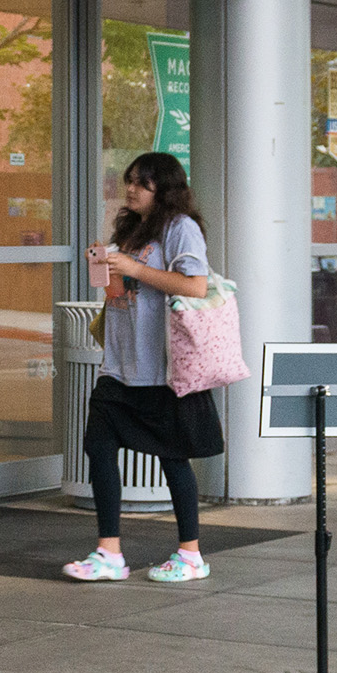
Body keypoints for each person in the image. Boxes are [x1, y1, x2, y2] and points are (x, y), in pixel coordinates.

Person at [69, 151, 221, 584]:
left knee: (173, 459)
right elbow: (125, 288)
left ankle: (191, 555)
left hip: (161, 370)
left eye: (143, 183)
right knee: (98, 446)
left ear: (165, 190)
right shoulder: (133, 229)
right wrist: (106, 265)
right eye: (130, 180)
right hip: (118, 365)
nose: (131, 189)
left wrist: (134, 267)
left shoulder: (180, 228)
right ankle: (109, 553)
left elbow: (196, 284)